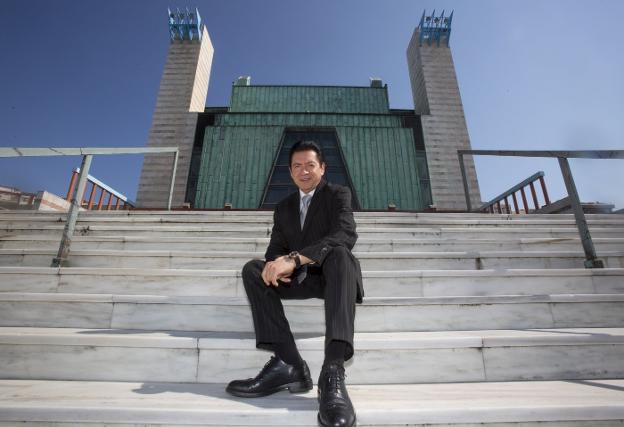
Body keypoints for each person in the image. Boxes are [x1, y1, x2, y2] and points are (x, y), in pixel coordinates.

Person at [226, 140, 363, 427]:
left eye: (310, 165)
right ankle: (289, 363)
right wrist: (278, 263)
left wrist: (295, 258)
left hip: (333, 278)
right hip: (299, 281)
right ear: (290, 172)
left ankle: (332, 372)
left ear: (322, 168)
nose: (304, 171)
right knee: (253, 269)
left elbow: (345, 233)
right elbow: (275, 249)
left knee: (340, 254)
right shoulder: (284, 207)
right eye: (297, 166)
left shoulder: (338, 194)